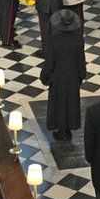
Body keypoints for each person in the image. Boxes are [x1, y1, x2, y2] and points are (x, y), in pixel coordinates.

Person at [40, 9, 86, 140]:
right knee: (71, 102)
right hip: (72, 76)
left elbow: (50, 62)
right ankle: (68, 130)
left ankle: (60, 130)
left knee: (58, 103)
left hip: (58, 76)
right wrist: (82, 75)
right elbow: (81, 59)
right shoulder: (78, 39)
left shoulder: (53, 40)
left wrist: (45, 76)